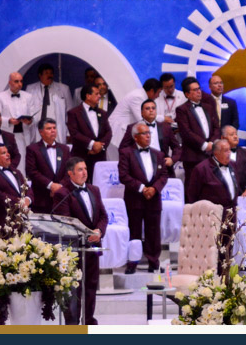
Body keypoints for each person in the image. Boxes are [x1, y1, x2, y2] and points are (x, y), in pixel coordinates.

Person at [54, 158, 108, 324]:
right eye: (80, 170)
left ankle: (89, 319)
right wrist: (86, 234)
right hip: (74, 249)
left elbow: (103, 216)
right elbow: (65, 222)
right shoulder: (63, 193)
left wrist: (99, 231)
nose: (84, 172)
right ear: (70, 173)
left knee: (91, 286)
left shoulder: (94, 190)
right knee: (73, 288)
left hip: (92, 247)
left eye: (85, 168)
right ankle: (72, 324)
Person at [117, 122, 168, 274]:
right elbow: (123, 175)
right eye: (144, 133)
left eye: (149, 133)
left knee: (154, 232)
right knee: (134, 231)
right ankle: (132, 263)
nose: (148, 136)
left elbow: (164, 175)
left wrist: (154, 188)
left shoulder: (158, 154)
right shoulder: (126, 153)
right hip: (135, 199)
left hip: (154, 199)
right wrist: (142, 188)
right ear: (135, 137)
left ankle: (153, 262)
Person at [184, 139, 239, 271]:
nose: (229, 153)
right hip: (210, 217)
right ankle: (209, 280)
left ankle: (224, 279)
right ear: (216, 153)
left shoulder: (232, 166)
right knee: (210, 254)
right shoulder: (201, 169)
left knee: (227, 251)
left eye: (230, 150)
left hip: (230, 214)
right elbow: (192, 195)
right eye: (225, 151)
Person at [176, 76, 219, 195]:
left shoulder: (209, 107)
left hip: (211, 155)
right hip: (193, 156)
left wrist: (212, 143)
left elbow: (216, 127)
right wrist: (204, 145)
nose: (199, 91)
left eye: (199, 89)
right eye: (195, 90)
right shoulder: (182, 110)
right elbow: (186, 133)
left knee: (211, 188)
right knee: (192, 189)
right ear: (187, 94)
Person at [24, 117, 70, 213]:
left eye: (54, 128)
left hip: (62, 197)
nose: (53, 130)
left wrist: (59, 187)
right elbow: (31, 171)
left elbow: (69, 171)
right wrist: (51, 185)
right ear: (41, 132)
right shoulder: (33, 149)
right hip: (41, 198)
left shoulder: (65, 149)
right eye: (49, 128)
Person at [119, 99, 180, 167]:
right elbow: (123, 148)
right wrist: (132, 162)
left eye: (153, 108)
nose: (151, 110)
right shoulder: (133, 127)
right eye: (147, 108)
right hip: (140, 165)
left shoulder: (166, 127)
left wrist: (172, 159)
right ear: (142, 113)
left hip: (162, 164)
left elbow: (176, 147)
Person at [24, 62, 72, 144]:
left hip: (57, 128)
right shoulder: (30, 88)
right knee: (38, 149)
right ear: (40, 75)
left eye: (51, 73)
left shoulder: (64, 89)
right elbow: (27, 110)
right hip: (38, 128)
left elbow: (70, 112)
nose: (49, 75)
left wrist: (68, 132)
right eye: (46, 73)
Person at [66, 85, 111, 171]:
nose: (99, 96)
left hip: (99, 157)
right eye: (96, 94)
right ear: (88, 96)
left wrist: (100, 147)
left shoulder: (103, 113)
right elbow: (74, 133)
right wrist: (92, 144)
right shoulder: (74, 113)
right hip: (81, 156)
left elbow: (108, 132)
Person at [0, 72, 36, 153]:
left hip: (24, 134)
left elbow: (33, 115)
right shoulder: (0, 97)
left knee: (24, 157)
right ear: (9, 82)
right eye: (16, 81)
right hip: (8, 133)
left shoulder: (28, 96)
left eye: (21, 81)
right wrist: (8, 120)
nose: (19, 84)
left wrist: (30, 121)